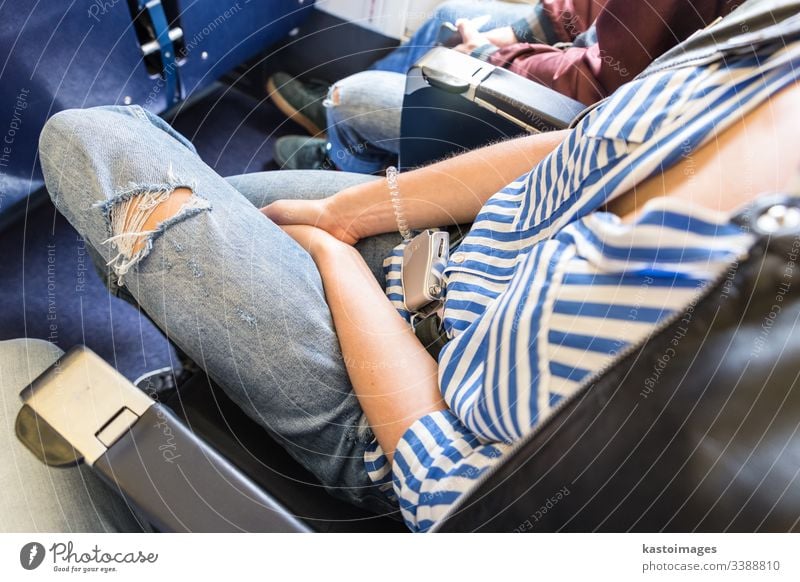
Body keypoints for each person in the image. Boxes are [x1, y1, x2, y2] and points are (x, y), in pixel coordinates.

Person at [6, 0, 799, 533]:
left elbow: (447, 488)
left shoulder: (749, 322)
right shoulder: (779, 34)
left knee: (92, 144)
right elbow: (589, 144)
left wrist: (329, 256)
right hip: (466, 253)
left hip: (404, 417)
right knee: (223, 192)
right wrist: (345, 214)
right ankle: (213, 334)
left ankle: (220, 391)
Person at [269, 0, 740, 173]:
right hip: (586, 68)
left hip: (571, 119)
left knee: (357, 100)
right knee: (448, 16)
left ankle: (344, 158)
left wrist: (489, 57)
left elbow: (597, 84)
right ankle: (340, 124)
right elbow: (616, 14)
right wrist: (527, 29)